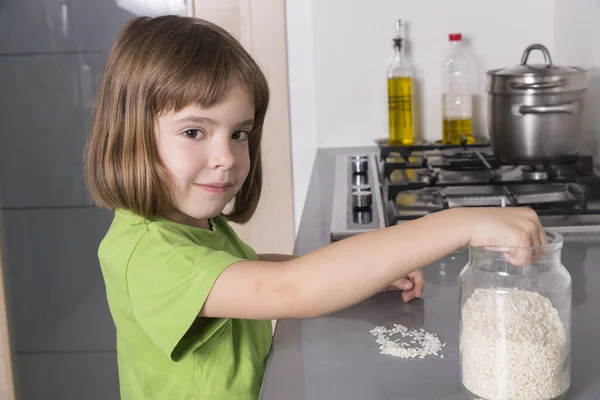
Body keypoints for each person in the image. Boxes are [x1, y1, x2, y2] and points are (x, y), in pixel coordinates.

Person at [84, 15, 548, 400]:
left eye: (239, 133)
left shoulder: (183, 225)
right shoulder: (146, 254)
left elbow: (240, 270)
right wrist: (460, 223)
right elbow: (286, 290)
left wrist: (365, 274)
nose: (226, 156)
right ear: (132, 136)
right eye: (194, 132)